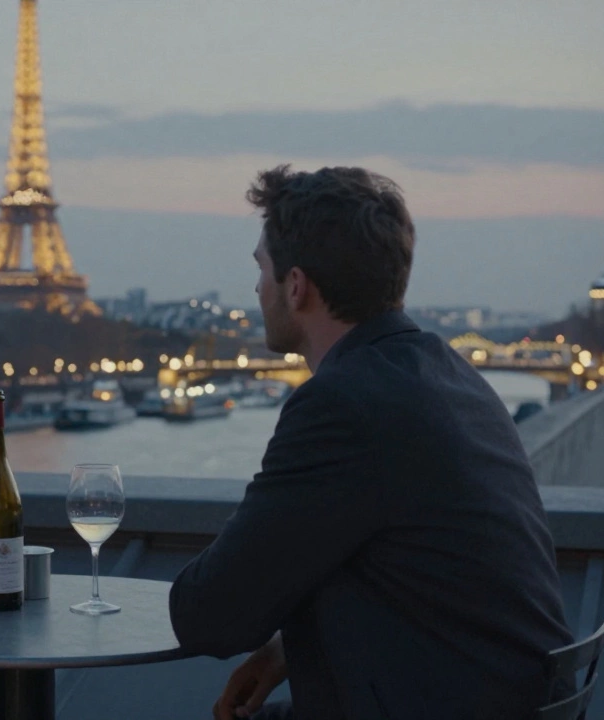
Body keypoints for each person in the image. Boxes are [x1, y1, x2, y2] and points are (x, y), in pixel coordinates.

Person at [168, 166, 574, 720]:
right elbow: (429, 575)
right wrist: (286, 649)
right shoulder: (450, 375)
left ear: (296, 286)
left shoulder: (342, 405)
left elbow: (209, 616)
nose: (257, 289)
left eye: (261, 269)